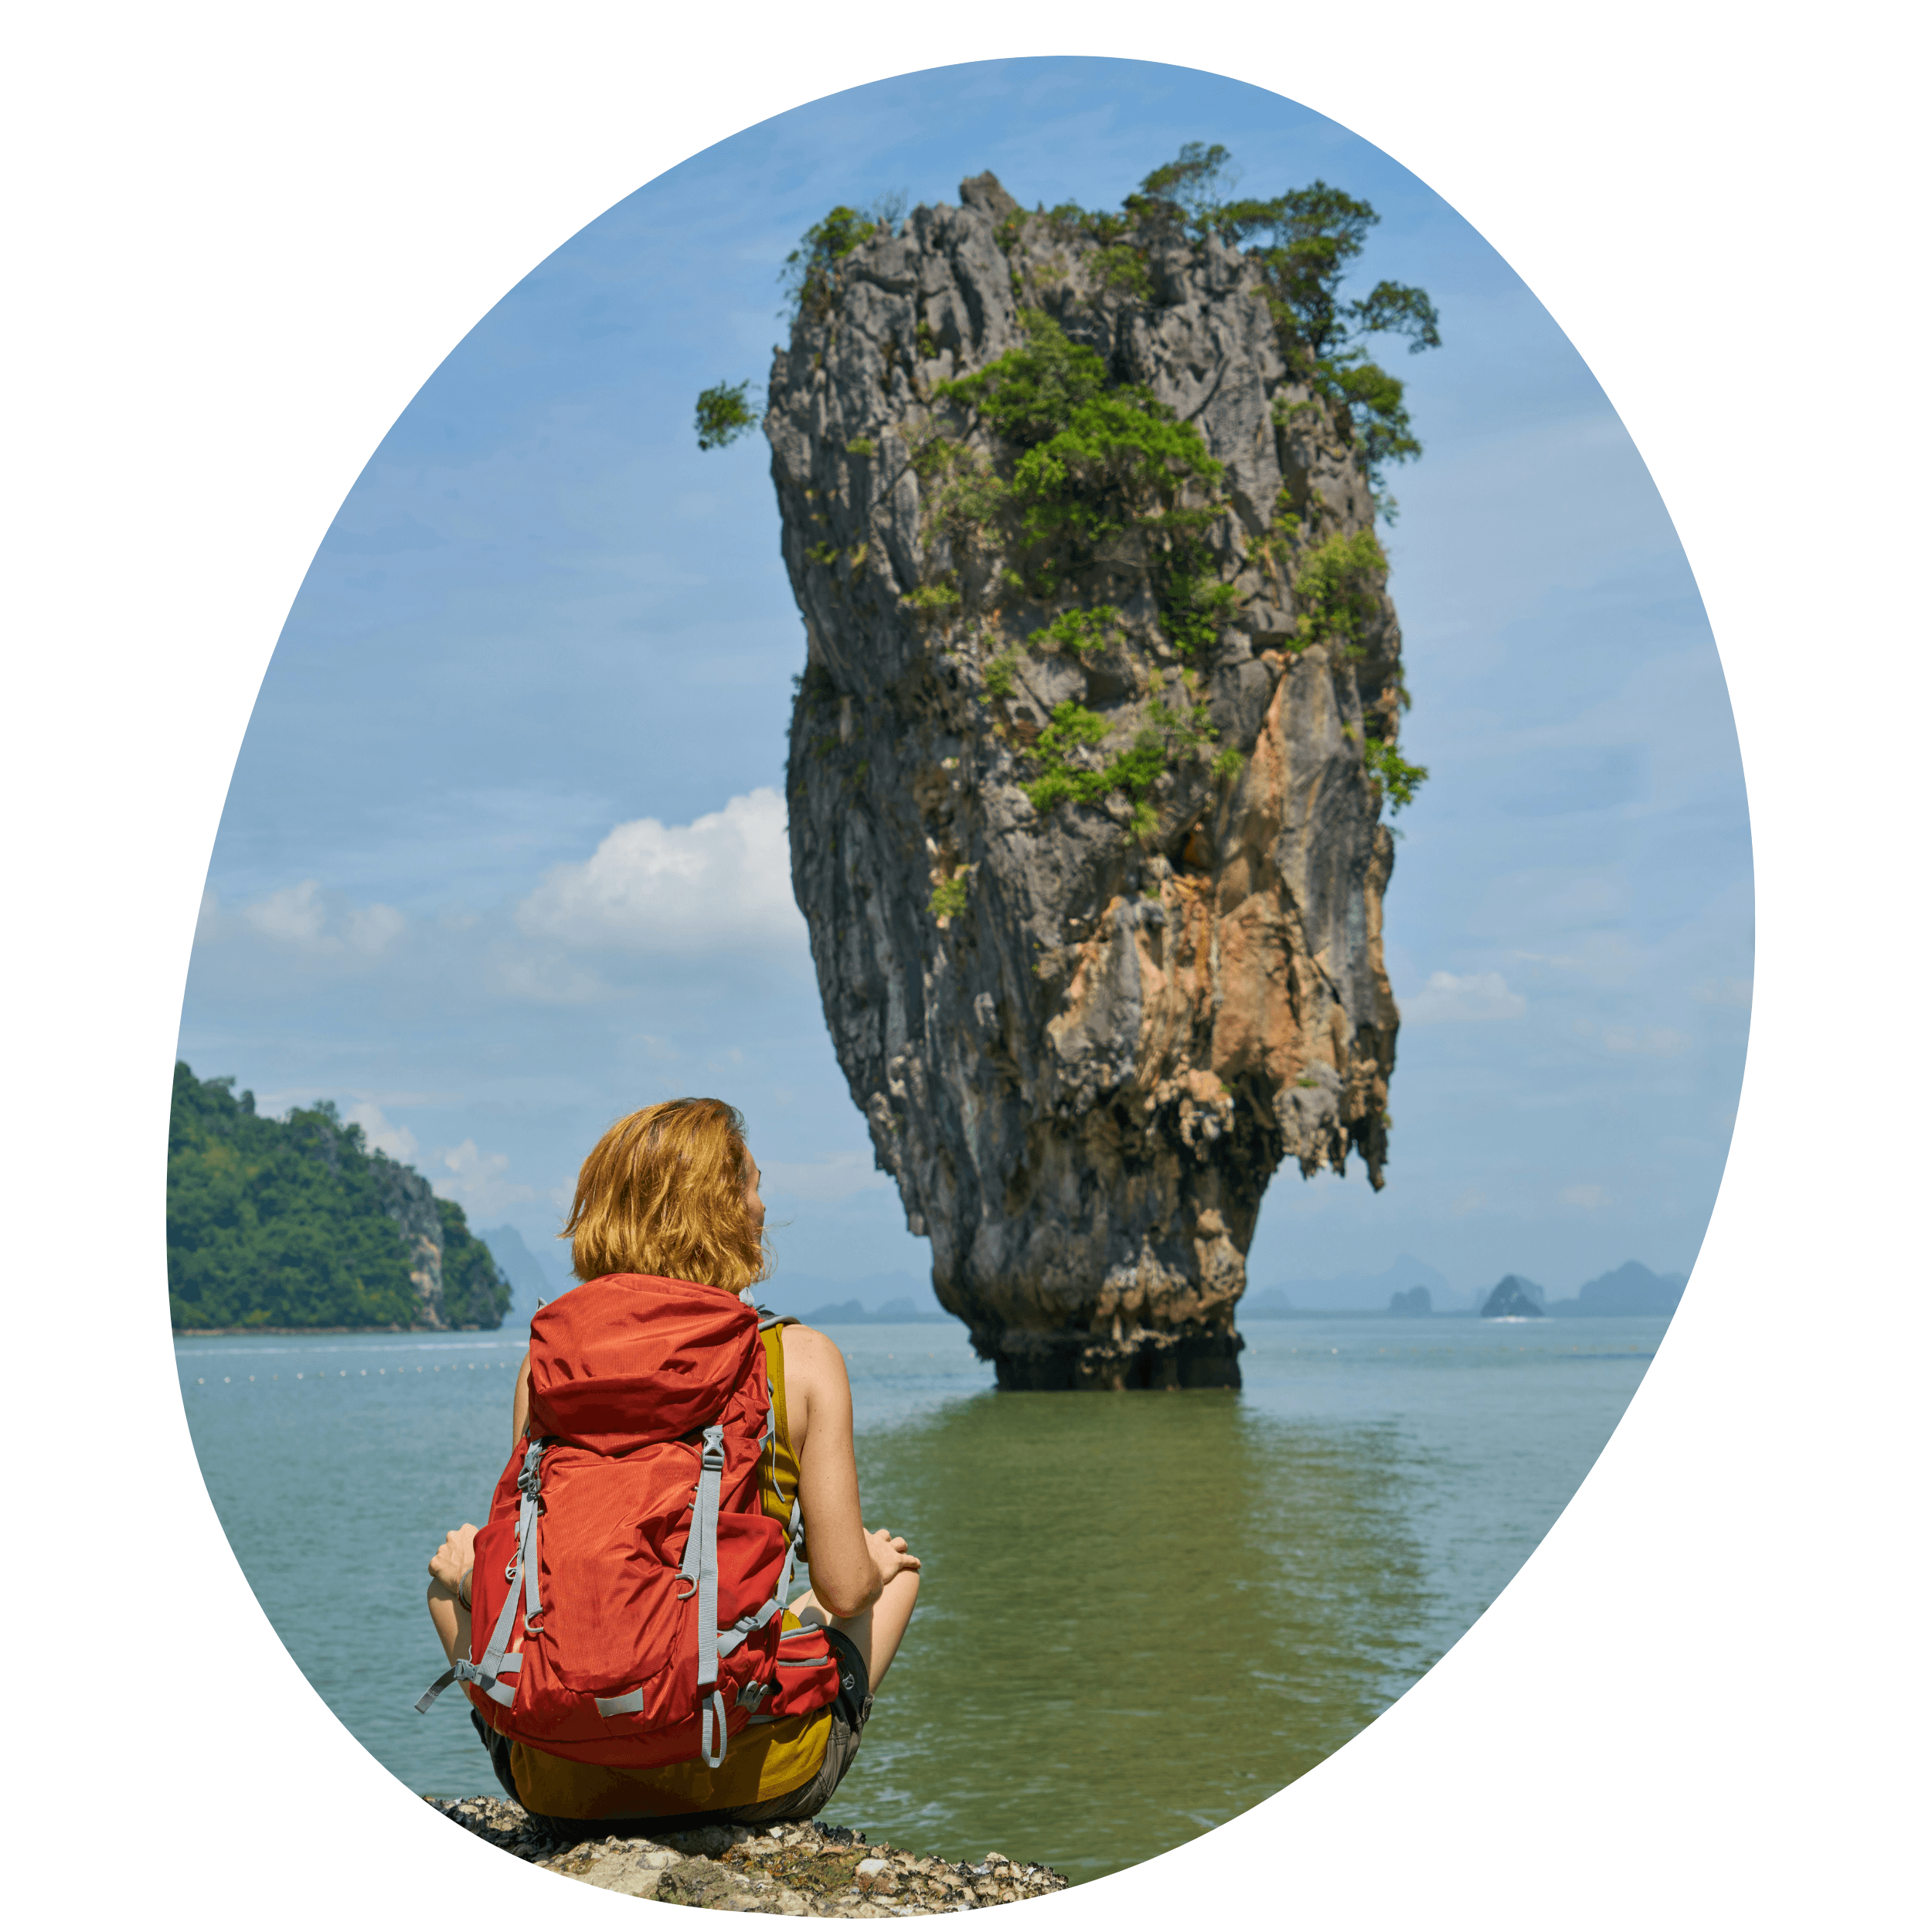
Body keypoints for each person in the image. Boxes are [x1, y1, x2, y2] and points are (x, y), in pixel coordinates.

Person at [423, 1097, 921, 1832]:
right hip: (743, 1774)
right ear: (721, 1209)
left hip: (562, 1790)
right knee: (893, 1577)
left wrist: (468, 1574)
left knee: (443, 1586)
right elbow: (845, 1593)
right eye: (752, 1184)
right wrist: (874, 1563)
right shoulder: (800, 1359)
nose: (763, 1204)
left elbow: (523, 1574)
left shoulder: (547, 1366)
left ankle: (564, 1760)